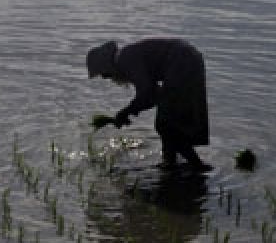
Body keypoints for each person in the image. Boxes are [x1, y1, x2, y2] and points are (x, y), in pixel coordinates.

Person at [87, 38, 210, 171]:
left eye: (104, 75)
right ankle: (170, 163)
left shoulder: (125, 59)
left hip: (182, 62)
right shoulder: (127, 56)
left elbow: (147, 93)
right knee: (168, 121)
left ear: (107, 66)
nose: (107, 78)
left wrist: (126, 111)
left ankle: (197, 165)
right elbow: (154, 96)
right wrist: (131, 111)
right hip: (189, 59)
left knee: (165, 125)